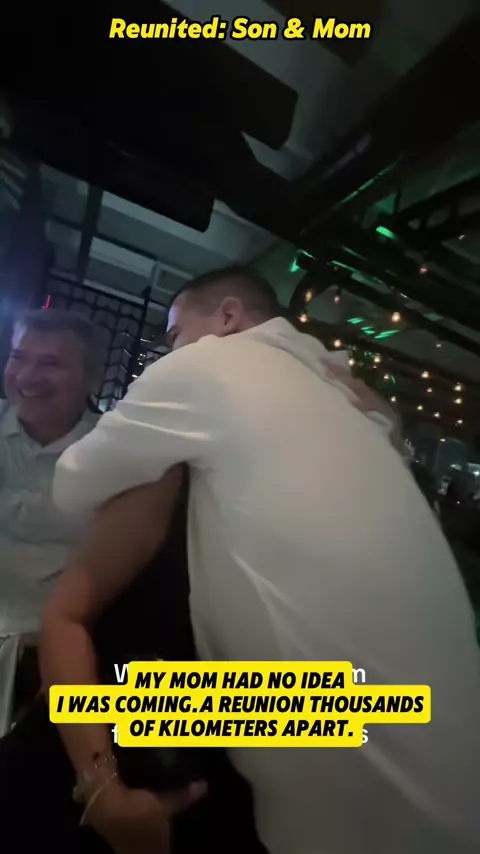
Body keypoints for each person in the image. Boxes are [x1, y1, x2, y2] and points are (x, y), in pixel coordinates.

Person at [43, 266, 480, 854]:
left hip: (343, 748)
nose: (169, 352)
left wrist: (100, 785)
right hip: (441, 746)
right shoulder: (341, 399)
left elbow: (71, 483)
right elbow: (382, 430)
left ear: (228, 317)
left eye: (174, 334)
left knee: (109, 695)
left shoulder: (212, 364)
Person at [0, 308, 100, 734]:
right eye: (18, 357)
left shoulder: (113, 453)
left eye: (51, 363)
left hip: (55, 662)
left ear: (91, 379)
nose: (27, 376)